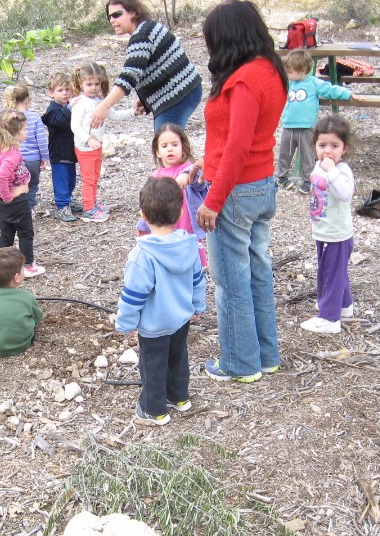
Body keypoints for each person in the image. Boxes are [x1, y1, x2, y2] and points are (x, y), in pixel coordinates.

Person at [191, 0, 288, 384]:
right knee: (258, 274)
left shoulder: (245, 79)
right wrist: (206, 162)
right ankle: (266, 356)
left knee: (231, 281)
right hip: (259, 184)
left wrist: (213, 200)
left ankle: (239, 363)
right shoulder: (269, 70)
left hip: (236, 191)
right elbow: (234, 138)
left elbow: (238, 145)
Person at [115, 177, 205, 426]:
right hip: (181, 318)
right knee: (178, 356)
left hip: (154, 325)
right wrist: (198, 306)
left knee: (153, 364)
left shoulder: (143, 255)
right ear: (179, 212)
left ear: (143, 214)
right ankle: (179, 397)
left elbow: (134, 295)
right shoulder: (189, 245)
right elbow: (197, 280)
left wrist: (126, 322)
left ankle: (154, 410)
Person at [91, 0, 202, 132]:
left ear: (132, 12)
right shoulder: (147, 28)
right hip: (185, 90)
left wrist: (104, 106)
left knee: (166, 145)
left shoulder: (141, 36)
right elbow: (158, 68)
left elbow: (129, 77)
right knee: (169, 145)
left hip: (178, 95)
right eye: (109, 17)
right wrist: (146, 99)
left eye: (117, 15)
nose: (112, 20)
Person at [301, 115, 356, 334]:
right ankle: (343, 305)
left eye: (334, 146)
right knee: (333, 270)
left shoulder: (341, 171)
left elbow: (344, 194)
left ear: (345, 148)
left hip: (337, 234)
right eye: (322, 145)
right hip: (324, 229)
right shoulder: (319, 166)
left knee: (330, 273)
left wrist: (331, 171)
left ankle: (329, 318)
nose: (327, 151)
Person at [276, 50, 354, 194]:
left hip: (306, 126)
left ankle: (308, 180)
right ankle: (281, 176)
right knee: (285, 153)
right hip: (288, 125)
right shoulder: (288, 84)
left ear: (303, 70)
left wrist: (348, 93)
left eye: (291, 72)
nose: (288, 75)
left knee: (308, 154)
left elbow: (330, 90)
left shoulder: (313, 83)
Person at [71, 62, 136, 223]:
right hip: (85, 147)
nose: (93, 88)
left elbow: (114, 115)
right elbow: (75, 126)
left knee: (95, 176)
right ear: (81, 84)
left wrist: (134, 112)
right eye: (89, 84)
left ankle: (92, 203)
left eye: (96, 84)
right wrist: (88, 139)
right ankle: (88, 209)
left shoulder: (101, 101)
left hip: (96, 145)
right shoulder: (80, 103)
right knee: (88, 178)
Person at [135, 123, 207, 266]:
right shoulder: (156, 176)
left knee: (189, 258)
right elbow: (149, 203)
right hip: (166, 225)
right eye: (164, 146)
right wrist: (144, 226)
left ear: (183, 147)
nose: (170, 149)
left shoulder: (189, 169)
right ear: (157, 152)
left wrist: (187, 176)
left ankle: (193, 280)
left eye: (175, 144)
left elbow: (201, 183)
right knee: (168, 257)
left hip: (186, 223)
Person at [0, 109, 44, 278]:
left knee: (6, 233)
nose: (27, 132)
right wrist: (9, 195)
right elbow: (1, 176)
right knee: (25, 233)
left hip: (5, 204)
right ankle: (28, 264)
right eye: (24, 129)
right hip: (16, 202)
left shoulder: (2, 151)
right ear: (13, 133)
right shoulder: (13, 155)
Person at [0, 247, 44, 358]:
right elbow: (38, 318)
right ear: (17, 277)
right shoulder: (27, 297)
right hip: (21, 345)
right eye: (23, 268)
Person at [41, 72, 81, 223]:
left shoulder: (69, 107)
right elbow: (59, 121)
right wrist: (70, 108)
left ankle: (68, 200)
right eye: (60, 90)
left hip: (70, 151)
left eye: (67, 90)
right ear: (51, 93)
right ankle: (62, 206)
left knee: (71, 179)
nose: (65, 93)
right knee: (61, 179)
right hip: (58, 153)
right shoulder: (52, 110)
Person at [3, 85, 49, 212]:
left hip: (13, 159)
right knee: (32, 184)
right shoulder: (34, 117)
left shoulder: (7, 117)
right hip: (33, 159)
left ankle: (16, 207)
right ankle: (29, 208)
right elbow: (41, 140)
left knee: (15, 183)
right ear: (27, 100)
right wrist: (44, 157)